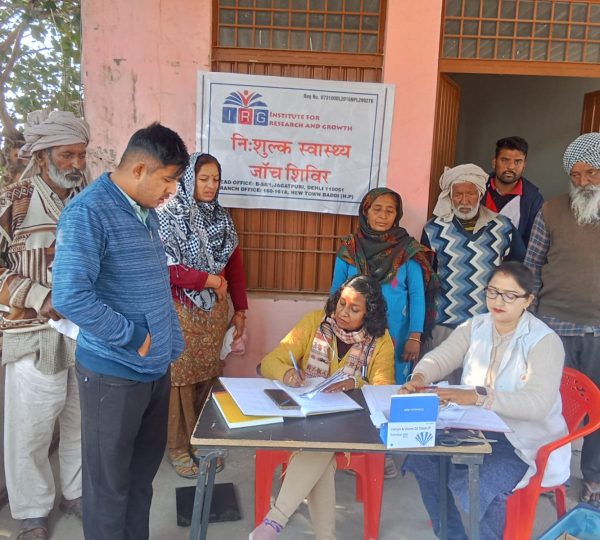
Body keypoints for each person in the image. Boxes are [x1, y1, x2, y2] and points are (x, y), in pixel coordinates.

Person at [52, 123, 189, 540]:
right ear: (139, 170)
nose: (172, 192)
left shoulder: (144, 211)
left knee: (139, 480)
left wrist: (169, 337)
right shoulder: (88, 212)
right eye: (168, 180)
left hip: (153, 370)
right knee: (109, 487)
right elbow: (70, 296)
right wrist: (134, 337)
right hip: (113, 372)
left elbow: (151, 281)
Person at [402, 262, 570, 540]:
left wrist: (477, 397)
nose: (498, 301)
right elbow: (443, 356)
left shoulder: (544, 342)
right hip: (476, 428)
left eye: (509, 295)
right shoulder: (476, 325)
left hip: (522, 442)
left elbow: (538, 404)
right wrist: (419, 376)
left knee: (484, 481)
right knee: (424, 459)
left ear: (528, 300)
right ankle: (451, 535)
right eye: (492, 292)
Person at [0, 110, 90, 540]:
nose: (76, 164)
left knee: (80, 419)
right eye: (67, 154)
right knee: (31, 428)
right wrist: (40, 297)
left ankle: (75, 492)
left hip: (85, 332)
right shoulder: (14, 200)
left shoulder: (89, 198)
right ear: (41, 157)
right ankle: (32, 510)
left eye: (81, 155)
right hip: (33, 334)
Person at [251, 275, 394, 540]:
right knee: (322, 450)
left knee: (322, 446)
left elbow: (384, 389)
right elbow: (272, 360)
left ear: (369, 313)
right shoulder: (315, 322)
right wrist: (286, 374)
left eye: (354, 309)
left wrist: (355, 382)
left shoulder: (380, 341)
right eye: (341, 304)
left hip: (353, 427)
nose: (343, 313)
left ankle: (275, 521)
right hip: (307, 418)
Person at [157, 152, 248, 478]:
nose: (211, 186)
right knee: (180, 380)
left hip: (213, 314)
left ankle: (203, 439)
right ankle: (178, 446)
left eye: (216, 179)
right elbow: (165, 268)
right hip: (180, 310)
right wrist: (207, 280)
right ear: (187, 180)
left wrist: (241, 312)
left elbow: (234, 269)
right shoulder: (168, 215)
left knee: (208, 376)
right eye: (203, 178)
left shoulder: (222, 218)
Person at [524, 132, 600, 507]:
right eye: (576, 174)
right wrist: (530, 322)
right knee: (550, 406)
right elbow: (532, 267)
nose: (583, 182)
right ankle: (549, 474)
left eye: (592, 173)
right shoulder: (551, 210)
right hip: (554, 328)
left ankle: (595, 481)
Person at [332, 187, 438, 384]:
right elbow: (335, 294)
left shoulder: (407, 249)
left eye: (390, 211)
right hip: (351, 332)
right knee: (349, 384)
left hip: (396, 334)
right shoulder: (349, 248)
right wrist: (331, 331)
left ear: (397, 215)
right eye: (377, 209)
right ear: (366, 212)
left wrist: (415, 337)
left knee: (389, 386)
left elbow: (417, 295)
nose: (383, 216)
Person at [422, 164, 526, 350]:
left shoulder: (503, 227)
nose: (464, 200)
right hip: (445, 323)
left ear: (480, 193)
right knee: (442, 376)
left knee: (483, 378)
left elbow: (519, 270)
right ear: (449, 196)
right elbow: (425, 277)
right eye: (458, 194)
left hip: (490, 324)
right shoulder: (434, 229)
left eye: (470, 193)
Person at [482, 136, 544, 247]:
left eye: (517, 162)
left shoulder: (533, 200)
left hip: (512, 262)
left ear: (524, 165)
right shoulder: (477, 187)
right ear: (494, 162)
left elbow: (532, 243)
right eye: (505, 160)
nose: (511, 167)